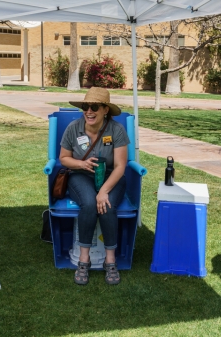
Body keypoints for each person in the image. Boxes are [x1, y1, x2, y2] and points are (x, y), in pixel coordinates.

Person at [60, 87, 129, 285]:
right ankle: (84, 259)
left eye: (95, 107)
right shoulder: (74, 128)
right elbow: (64, 159)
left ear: (105, 110)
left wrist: (104, 191)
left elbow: (120, 166)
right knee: (89, 204)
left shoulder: (116, 130)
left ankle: (110, 260)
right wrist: (81, 163)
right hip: (80, 176)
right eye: (85, 106)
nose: (89, 111)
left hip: (111, 177)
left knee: (105, 205)